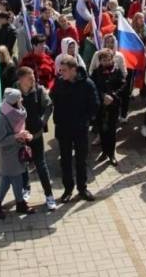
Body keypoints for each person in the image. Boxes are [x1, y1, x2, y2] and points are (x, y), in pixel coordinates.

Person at [51, 56, 99, 203]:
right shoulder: (59, 82)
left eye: (64, 70)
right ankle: (68, 189)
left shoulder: (87, 84)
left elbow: (95, 104)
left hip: (80, 129)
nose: (61, 73)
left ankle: (82, 188)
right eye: (60, 70)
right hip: (63, 129)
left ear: (73, 70)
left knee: (81, 160)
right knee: (65, 160)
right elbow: (53, 99)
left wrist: (85, 119)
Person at [16, 67, 56, 210]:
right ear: (21, 79)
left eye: (33, 76)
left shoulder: (39, 91)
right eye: (29, 77)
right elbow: (5, 109)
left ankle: (49, 195)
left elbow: (49, 106)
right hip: (20, 136)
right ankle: (25, 188)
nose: (33, 79)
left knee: (41, 165)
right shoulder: (14, 93)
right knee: (22, 163)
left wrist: (42, 121)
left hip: (36, 135)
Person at [0, 88, 36, 218]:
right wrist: (17, 136)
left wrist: (24, 135)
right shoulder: (3, 118)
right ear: (14, 102)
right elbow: (0, 141)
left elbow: (19, 130)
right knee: (16, 179)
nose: (22, 100)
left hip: (17, 152)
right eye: (19, 98)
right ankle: (20, 203)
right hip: (9, 155)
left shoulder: (17, 113)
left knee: (7, 180)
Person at [90, 48, 125, 166]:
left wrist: (112, 96)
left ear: (112, 59)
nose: (106, 62)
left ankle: (112, 154)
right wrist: (102, 96)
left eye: (108, 59)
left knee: (111, 130)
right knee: (102, 130)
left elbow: (122, 86)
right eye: (103, 60)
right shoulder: (96, 72)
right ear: (100, 61)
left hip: (113, 105)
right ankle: (104, 151)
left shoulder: (117, 71)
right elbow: (93, 87)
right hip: (101, 105)